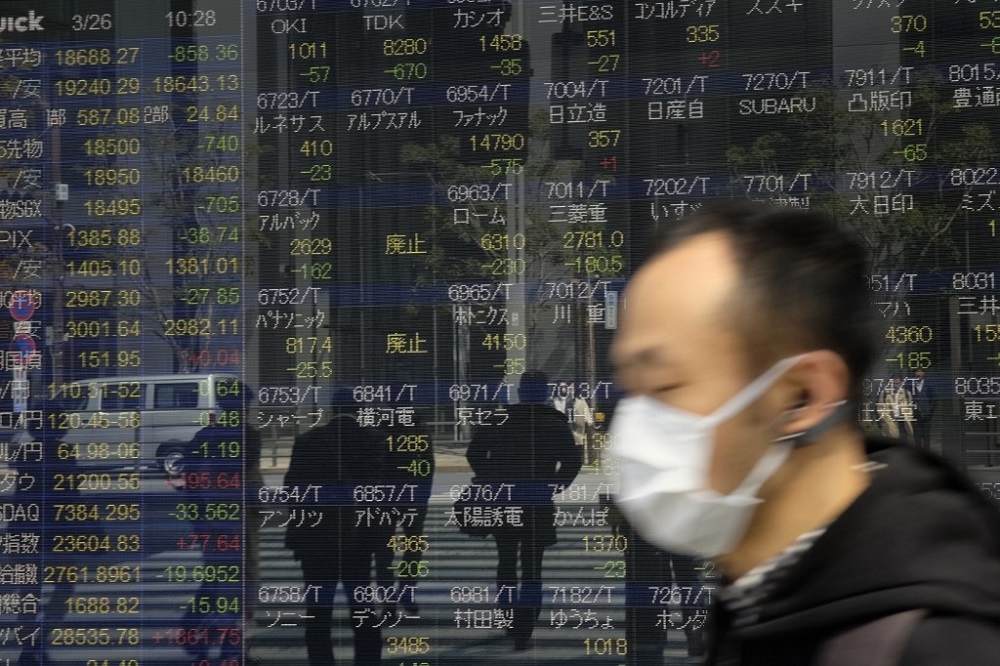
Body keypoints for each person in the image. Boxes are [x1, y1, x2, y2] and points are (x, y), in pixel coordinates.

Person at [608, 202, 1000, 665]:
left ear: (804, 396)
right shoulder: (754, 605)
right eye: (629, 389)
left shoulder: (944, 646)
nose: (632, 426)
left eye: (665, 385)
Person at [465, 371, 583, 651]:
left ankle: (508, 619)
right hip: (537, 502)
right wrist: (555, 485)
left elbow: (474, 453)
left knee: (505, 561)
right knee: (532, 567)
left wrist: (490, 478)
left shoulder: (499, 418)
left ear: (520, 392)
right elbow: (572, 461)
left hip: (504, 499)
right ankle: (524, 629)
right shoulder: (554, 423)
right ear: (543, 393)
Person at [284, 389, 389, 665]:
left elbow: (292, 490)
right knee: (363, 610)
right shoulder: (374, 440)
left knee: (318, 616)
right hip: (359, 540)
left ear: (332, 410)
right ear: (360, 409)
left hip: (316, 540)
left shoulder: (307, 441)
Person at [877, 374, 915, 443]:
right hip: (890, 422)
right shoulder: (884, 393)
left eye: (897, 383)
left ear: (901, 383)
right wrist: (886, 420)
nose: (895, 386)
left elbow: (910, 407)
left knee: (904, 444)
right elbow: (880, 408)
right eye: (893, 383)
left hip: (903, 422)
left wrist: (908, 416)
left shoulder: (906, 393)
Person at [911, 368, 936, 451]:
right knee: (917, 437)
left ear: (924, 374)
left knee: (926, 436)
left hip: (926, 416)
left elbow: (934, 400)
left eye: (920, 372)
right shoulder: (910, 386)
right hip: (915, 416)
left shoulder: (929, 386)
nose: (918, 374)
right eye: (917, 372)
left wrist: (930, 412)